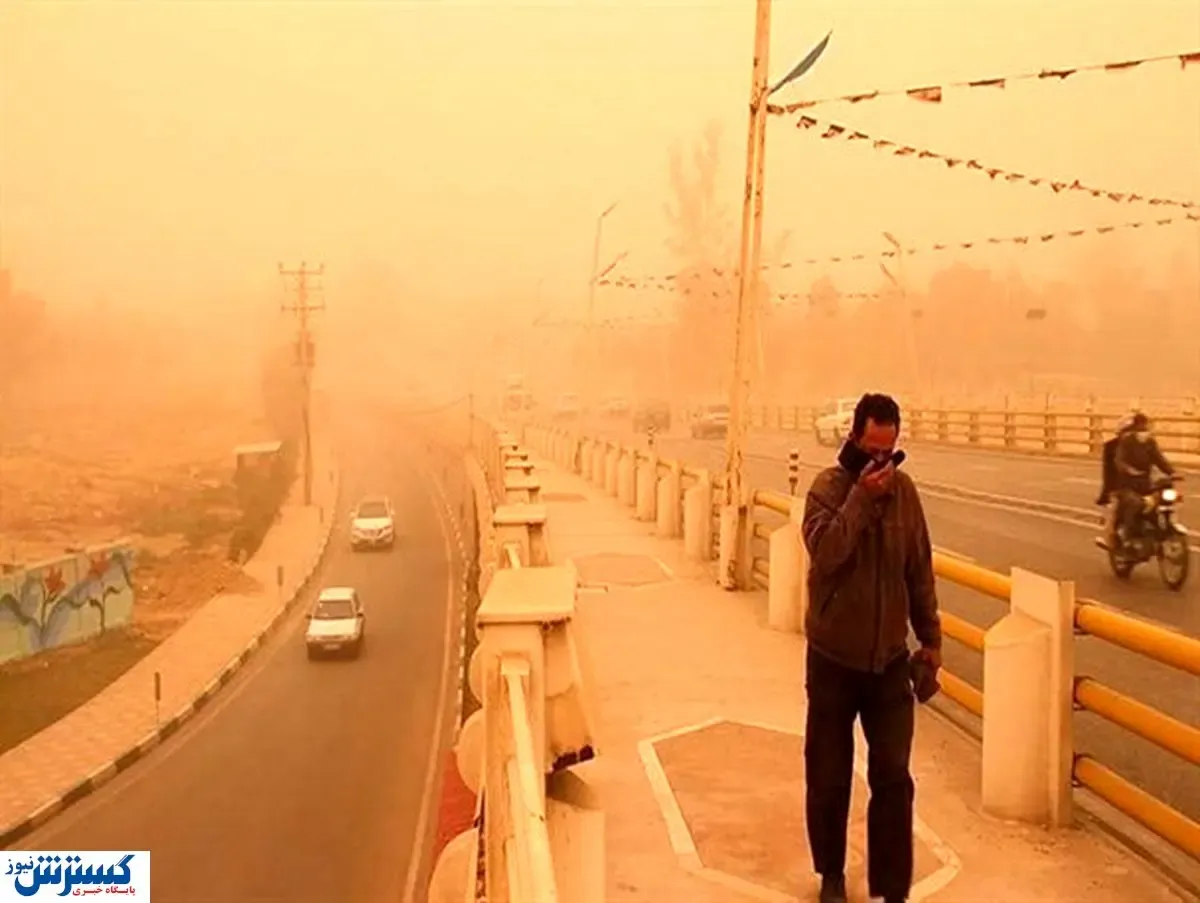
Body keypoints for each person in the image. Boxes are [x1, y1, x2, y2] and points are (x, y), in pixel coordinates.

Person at [801, 393, 942, 903]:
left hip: (888, 662)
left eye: (890, 451)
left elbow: (919, 571)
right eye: (872, 450)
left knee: (892, 776)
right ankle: (832, 874)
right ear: (856, 439)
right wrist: (860, 499)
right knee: (829, 774)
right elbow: (827, 553)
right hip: (833, 660)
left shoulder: (905, 495)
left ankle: (891, 888)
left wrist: (930, 641)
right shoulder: (826, 490)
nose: (882, 462)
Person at [1113, 411, 1177, 545]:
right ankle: (1128, 536)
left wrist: (1172, 473)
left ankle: (1157, 532)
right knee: (1136, 504)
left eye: (1146, 428)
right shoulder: (1126, 442)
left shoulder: (1150, 443)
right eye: (1141, 429)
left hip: (1145, 484)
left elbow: (1159, 459)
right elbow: (1119, 461)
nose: (1144, 432)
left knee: (1161, 500)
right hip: (1127, 486)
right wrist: (1129, 470)